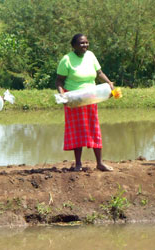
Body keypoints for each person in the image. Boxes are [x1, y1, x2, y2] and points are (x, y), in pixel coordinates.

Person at [55, 34, 114, 172]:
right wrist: (62, 95)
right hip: (75, 99)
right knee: (77, 130)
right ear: (74, 45)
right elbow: (59, 80)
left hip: (91, 97)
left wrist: (109, 83)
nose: (85, 46)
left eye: (86, 43)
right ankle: (78, 164)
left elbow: (99, 73)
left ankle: (100, 163)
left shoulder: (91, 56)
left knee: (94, 127)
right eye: (81, 43)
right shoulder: (67, 60)